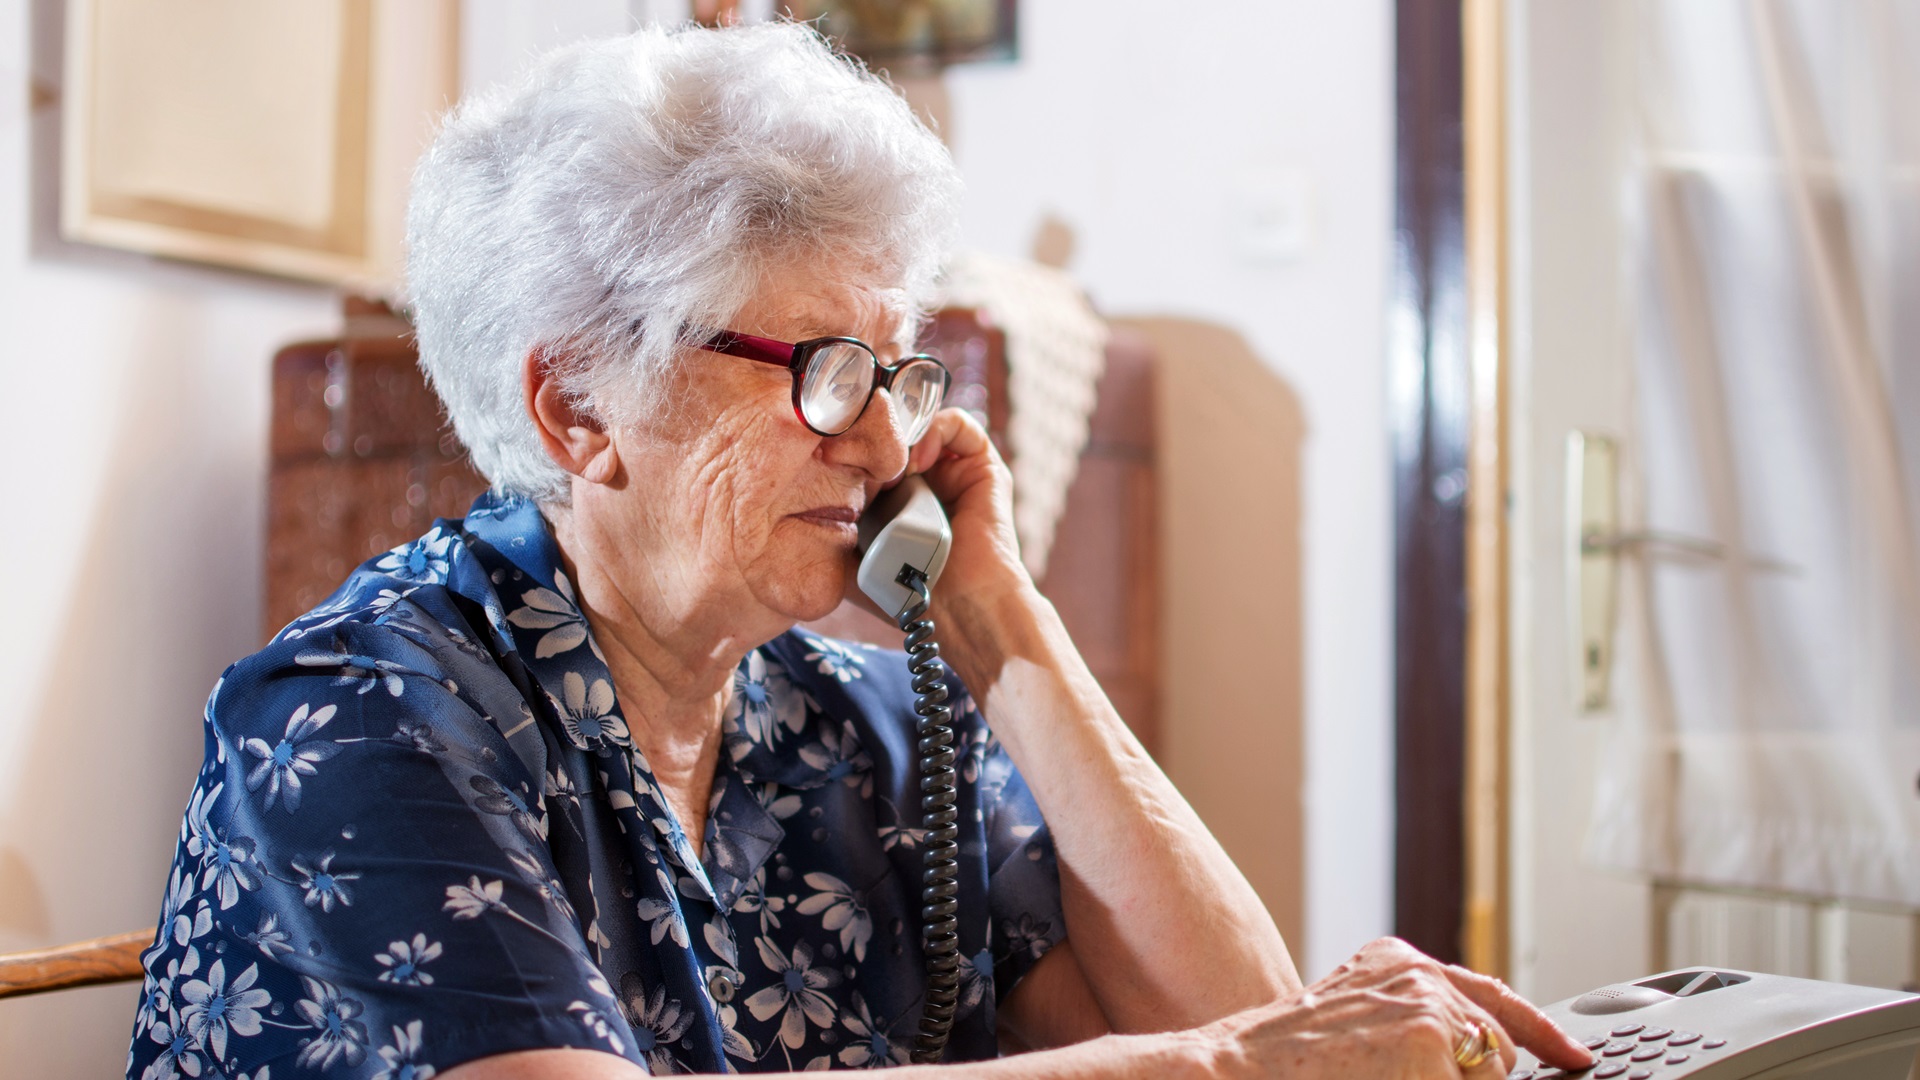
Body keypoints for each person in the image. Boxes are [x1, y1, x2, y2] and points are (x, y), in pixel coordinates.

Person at [126, 21, 1594, 1080]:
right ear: (579, 403)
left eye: (901, 373)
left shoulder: (850, 717)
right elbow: (1232, 1055)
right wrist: (1225, 1066)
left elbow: (1230, 1002)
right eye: (826, 371)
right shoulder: (353, 720)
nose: (893, 445)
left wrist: (1004, 626)